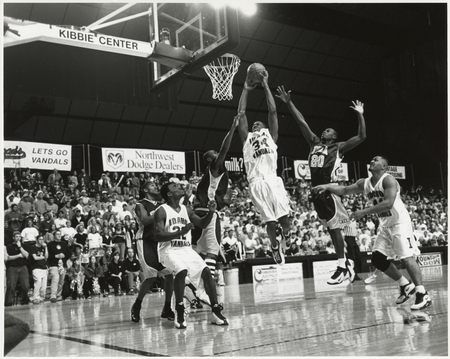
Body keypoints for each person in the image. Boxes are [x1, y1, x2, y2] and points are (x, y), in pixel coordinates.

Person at [314, 156, 432, 310]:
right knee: (377, 259)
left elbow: (388, 203)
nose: (372, 160)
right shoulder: (365, 182)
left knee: (406, 258)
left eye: (376, 160)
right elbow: (344, 190)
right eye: (372, 159)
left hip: (399, 224)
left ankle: (422, 294)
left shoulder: (388, 180)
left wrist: (363, 212)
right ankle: (405, 284)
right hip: (385, 226)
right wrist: (326, 186)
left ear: (384, 167)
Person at [276, 86, 366, 283]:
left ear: (333, 136)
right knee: (331, 229)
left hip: (330, 188)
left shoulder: (338, 147)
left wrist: (360, 115)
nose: (324, 131)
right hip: (316, 191)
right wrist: (289, 102)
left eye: (328, 130)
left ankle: (342, 265)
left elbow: (361, 137)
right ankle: (345, 264)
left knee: (335, 228)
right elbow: (302, 122)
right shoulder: (314, 143)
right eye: (324, 130)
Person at [155, 182, 228, 329]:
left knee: (206, 272)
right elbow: (158, 235)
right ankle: (180, 310)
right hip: (168, 250)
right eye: (175, 187)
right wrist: (180, 233)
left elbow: (202, 224)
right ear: (169, 194)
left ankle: (215, 310)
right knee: (181, 271)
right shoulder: (161, 211)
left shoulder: (186, 209)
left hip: (186, 249)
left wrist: (211, 212)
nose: (180, 187)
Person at [236, 71, 291, 265]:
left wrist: (266, 85)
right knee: (271, 222)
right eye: (253, 124)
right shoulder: (247, 139)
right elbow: (241, 114)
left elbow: (273, 112)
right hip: (257, 182)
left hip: (273, 179)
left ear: (265, 127)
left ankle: (285, 238)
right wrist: (245, 90)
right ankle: (274, 247)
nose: (255, 124)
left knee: (285, 221)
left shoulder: (271, 136)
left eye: (258, 123)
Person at [192, 114, 240, 287]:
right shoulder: (215, 167)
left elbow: (214, 195)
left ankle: (194, 289)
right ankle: (207, 288)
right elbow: (225, 149)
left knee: (200, 253)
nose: (219, 154)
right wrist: (233, 128)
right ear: (212, 159)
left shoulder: (210, 177)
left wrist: (225, 201)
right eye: (216, 154)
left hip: (199, 213)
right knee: (212, 253)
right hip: (209, 213)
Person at [131, 181, 175, 323]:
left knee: (169, 274)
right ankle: (137, 306)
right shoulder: (141, 204)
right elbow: (144, 220)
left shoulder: (161, 204)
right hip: (144, 241)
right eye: (152, 185)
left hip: (159, 241)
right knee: (150, 276)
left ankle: (167, 307)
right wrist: (161, 213)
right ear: (145, 189)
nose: (156, 187)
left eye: (157, 185)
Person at [5, 231, 30, 306]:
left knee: (25, 285)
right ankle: (8, 303)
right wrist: (18, 255)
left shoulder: (24, 245)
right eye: (16, 236)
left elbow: (27, 255)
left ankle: (25, 301)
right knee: (11, 286)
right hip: (12, 268)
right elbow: (7, 258)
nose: (18, 238)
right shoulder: (9, 246)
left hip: (23, 267)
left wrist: (20, 247)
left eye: (19, 236)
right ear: (13, 238)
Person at [47, 230, 72, 302]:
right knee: (55, 279)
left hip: (62, 265)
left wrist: (64, 256)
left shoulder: (64, 244)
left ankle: (58, 295)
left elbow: (69, 253)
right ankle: (53, 296)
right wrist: (55, 256)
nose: (59, 235)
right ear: (54, 235)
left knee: (61, 281)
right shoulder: (50, 244)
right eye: (57, 234)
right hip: (53, 264)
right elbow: (47, 255)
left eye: (60, 234)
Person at [28, 235, 49, 304]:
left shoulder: (43, 247)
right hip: (36, 267)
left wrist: (46, 248)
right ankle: (35, 297)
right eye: (40, 239)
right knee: (38, 282)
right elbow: (35, 258)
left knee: (44, 286)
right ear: (37, 240)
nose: (41, 241)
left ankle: (42, 298)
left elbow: (46, 257)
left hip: (44, 268)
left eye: (42, 239)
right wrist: (42, 257)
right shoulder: (32, 247)